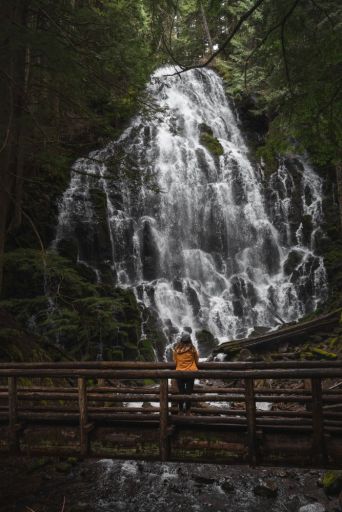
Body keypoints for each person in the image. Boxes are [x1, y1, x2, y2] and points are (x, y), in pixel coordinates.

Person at [172, 332, 199, 415]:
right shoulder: (192, 349)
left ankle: (180, 410)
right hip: (190, 373)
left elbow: (175, 361)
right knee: (188, 393)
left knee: (180, 392)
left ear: (181, 341)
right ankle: (188, 411)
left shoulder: (176, 350)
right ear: (190, 340)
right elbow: (196, 360)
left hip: (179, 373)